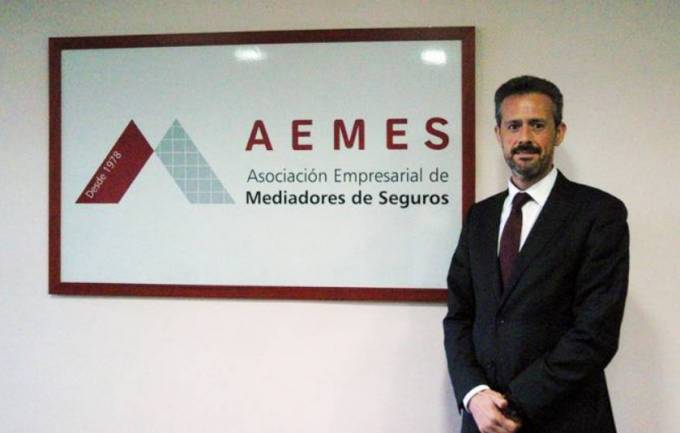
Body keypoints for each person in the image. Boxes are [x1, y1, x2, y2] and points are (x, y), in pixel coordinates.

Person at [443, 75, 629, 433]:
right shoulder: (480, 217)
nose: (524, 137)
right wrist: (474, 394)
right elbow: (459, 317)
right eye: (513, 126)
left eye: (537, 125)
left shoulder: (599, 214)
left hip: (566, 420)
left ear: (559, 132)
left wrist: (513, 404)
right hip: (483, 420)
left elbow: (596, 332)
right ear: (498, 133)